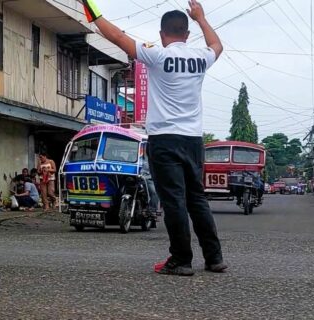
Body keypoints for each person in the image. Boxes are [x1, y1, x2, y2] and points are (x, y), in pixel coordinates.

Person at [85, 0, 226, 275]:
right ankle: (214, 258)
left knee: (173, 200)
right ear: (187, 33)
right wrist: (201, 18)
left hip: (164, 139)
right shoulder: (201, 57)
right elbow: (217, 45)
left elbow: (116, 36)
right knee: (196, 199)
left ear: (162, 34)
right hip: (193, 140)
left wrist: (90, 7)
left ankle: (181, 260)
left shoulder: (157, 56)